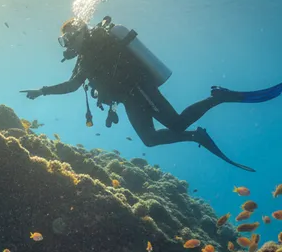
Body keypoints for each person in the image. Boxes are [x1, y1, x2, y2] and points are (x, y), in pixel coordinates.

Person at [21, 16, 282, 172]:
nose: (68, 45)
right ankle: (196, 136)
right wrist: (42, 91)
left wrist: (42, 91)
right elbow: (74, 84)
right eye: (64, 42)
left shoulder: (95, 49)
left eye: (69, 39)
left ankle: (219, 98)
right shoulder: (86, 56)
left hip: (140, 91)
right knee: (149, 139)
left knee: (176, 123)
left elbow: (73, 86)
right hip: (129, 99)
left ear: (79, 34)